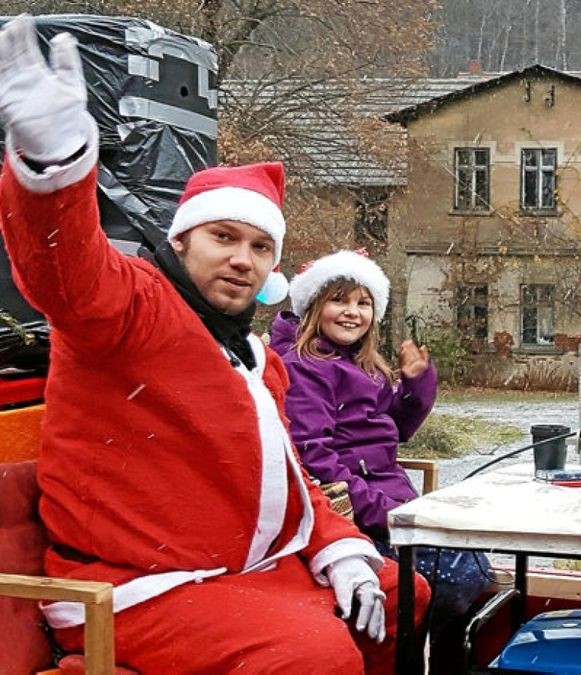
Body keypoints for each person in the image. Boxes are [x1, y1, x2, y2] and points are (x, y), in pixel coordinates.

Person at [0, 16, 428, 672]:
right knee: (314, 654)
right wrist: (54, 168)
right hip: (138, 589)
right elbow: (64, 269)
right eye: (222, 237)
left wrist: (339, 548)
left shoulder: (257, 359)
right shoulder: (131, 308)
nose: (241, 258)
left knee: (406, 595)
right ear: (180, 240)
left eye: (259, 246)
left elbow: (290, 481)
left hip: (246, 571)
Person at [270, 250, 492, 672]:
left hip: (389, 497)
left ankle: (427, 653)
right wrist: (384, 510)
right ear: (313, 305)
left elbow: (397, 428)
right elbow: (312, 455)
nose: (352, 312)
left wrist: (416, 382)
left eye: (363, 302)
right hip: (352, 512)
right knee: (457, 574)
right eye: (339, 300)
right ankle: (410, 657)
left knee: (475, 560)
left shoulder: (363, 365)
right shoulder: (304, 367)